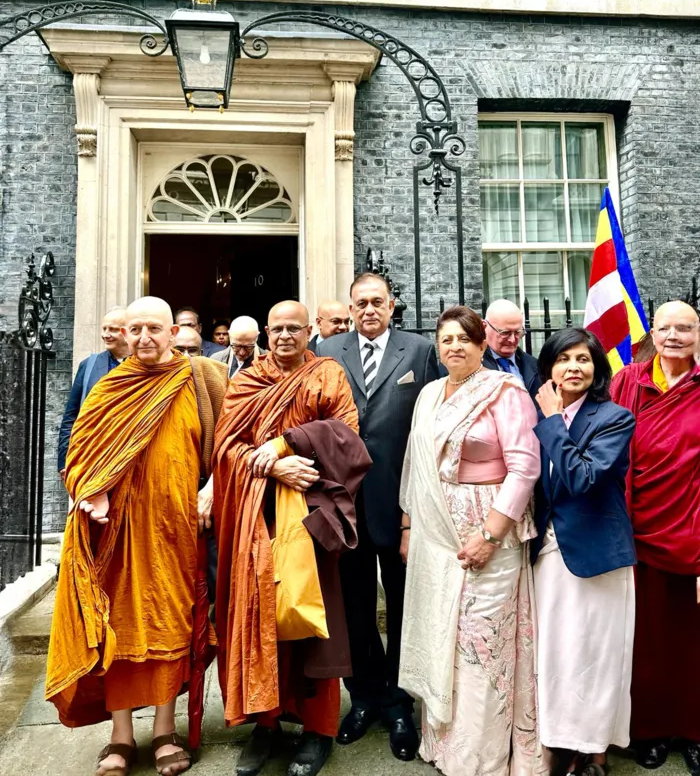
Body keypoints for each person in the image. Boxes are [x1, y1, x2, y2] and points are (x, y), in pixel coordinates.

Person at [45, 296, 227, 776]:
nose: (145, 337)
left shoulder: (201, 379)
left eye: (155, 328)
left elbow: (227, 446)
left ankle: (164, 731)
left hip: (177, 531)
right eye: (136, 329)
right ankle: (121, 737)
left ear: (173, 333)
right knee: (120, 631)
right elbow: (79, 451)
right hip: (118, 534)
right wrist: (89, 492)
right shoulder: (109, 387)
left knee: (171, 628)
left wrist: (210, 490)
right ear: (125, 336)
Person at [213, 301, 368, 776]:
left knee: (314, 623)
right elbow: (225, 447)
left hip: (310, 516)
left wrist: (288, 445)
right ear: (265, 331)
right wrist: (274, 467)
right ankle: (267, 723)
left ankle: (318, 729)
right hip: (257, 521)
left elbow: (346, 435)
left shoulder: (328, 375)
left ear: (309, 332)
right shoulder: (246, 381)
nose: (284, 336)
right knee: (262, 619)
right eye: (276, 329)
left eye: (294, 329)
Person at [398, 305, 542, 776]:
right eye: (446, 340)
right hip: (436, 530)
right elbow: (414, 464)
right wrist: (408, 526)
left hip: (489, 530)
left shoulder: (505, 391)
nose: (454, 346)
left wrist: (489, 536)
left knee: (482, 644)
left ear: (483, 345)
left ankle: (480, 758)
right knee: (446, 633)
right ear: (437, 349)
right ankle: (444, 745)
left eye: (465, 338)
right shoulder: (429, 395)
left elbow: (525, 468)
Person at [317, 273, 439, 761]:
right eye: (360, 303)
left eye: (377, 302)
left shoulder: (420, 351)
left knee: (406, 602)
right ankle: (363, 696)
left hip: (399, 499)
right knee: (353, 605)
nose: (369, 310)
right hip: (343, 502)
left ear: (393, 306)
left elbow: (432, 419)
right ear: (351, 307)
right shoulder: (327, 350)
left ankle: (400, 701)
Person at [531, 328, 637, 776]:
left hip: (598, 555)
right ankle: (557, 741)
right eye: (563, 358)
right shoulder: (533, 414)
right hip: (548, 554)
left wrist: (553, 420)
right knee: (558, 652)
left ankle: (594, 752)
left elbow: (583, 478)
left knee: (596, 654)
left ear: (596, 369)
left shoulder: (615, 417)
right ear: (549, 367)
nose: (573, 367)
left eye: (583, 359)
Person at [610, 301, 700, 775]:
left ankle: (695, 731)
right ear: (652, 333)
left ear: (697, 335)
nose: (674, 336)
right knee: (644, 638)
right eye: (665, 328)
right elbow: (612, 451)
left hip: (691, 529)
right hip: (637, 527)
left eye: (685, 328)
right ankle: (649, 730)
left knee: (692, 640)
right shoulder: (628, 380)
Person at [57, 307, 129, 477]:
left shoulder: (142, 366)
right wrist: (64, 460)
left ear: (127, 332)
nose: (106, 334)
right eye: (104, 329)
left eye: (113, 329)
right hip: (92, 456)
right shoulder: (89, 365)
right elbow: (71, 416)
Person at [481, 299, 541, 401]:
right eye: (505, 332)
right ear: (484, 327)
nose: (512, 340)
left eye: (518, 332)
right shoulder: (472, 367)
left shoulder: (535, 366)